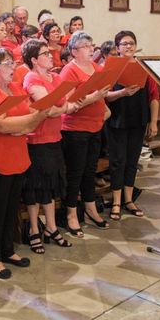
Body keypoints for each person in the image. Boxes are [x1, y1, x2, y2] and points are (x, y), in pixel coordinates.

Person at [0, 48, 48, 279]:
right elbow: (1, 126)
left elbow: (25, 123)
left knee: (12, 207)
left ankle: (8, 250)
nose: (13, 68)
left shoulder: (15, 88)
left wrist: (26, 124)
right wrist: (32, 120)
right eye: (7, 64)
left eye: (12, 63)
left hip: (17, 152)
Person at [21, 39, 73, 253]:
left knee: (50, 187)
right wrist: (67, 106)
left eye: (49, 53)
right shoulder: (32, 77)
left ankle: (51, 227)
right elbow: (49, 109)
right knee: (36, 188)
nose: (50, 56)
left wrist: (66, 105)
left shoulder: (55, 76)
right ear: (33, 59)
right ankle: (34, 229)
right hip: (37, 139)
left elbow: (66, 100)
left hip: (54, 136)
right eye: (44, 54)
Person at [59, 31, 111, 236]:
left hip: (95, 126)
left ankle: (90, 208)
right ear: (74, 51)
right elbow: (69, 103)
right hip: (75, 129)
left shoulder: (97, 68)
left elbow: (101, 97)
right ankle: (71, 213)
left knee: (90, 171)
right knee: (75, 172)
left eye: (92, 45)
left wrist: (102, 100)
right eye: (86, 46)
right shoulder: (68, 71)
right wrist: (94, 97)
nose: (91, 49)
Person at [105, 31, 159, 220]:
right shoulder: (111, 67)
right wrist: (123, 93)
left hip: (138, 119)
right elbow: (104, 95)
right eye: (124, 43)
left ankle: (128, 200)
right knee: (118, 161)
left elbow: (154, 97)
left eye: (131, 43)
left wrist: (153, 122)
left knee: (132, 160)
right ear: (117, 47)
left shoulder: (144, 67)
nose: (128, 46)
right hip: (117, 120)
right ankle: (116, 202)